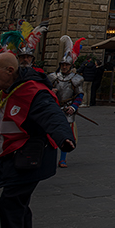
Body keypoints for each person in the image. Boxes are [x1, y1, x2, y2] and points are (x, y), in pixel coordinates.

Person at [0, 50, 76, 228]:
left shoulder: (33, 91)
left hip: (28, 157)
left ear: (10, 70)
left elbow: (52, 114)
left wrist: (65, 137)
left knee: (10, 204)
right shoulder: (12, 88)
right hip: (16, 155)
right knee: (18, 205)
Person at [46, 37, 85, 167]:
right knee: (50, 134)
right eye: (62, 65)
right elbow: (44, 92)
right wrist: (51, 92)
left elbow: (79, 95)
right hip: (54, 108)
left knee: (66, 136)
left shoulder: (76, 79)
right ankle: (49, 157)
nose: (64, 67)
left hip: (67, 109)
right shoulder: (53, 77)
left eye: (66, 65)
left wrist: (74, 107)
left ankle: (63, 159)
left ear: (70, 66)